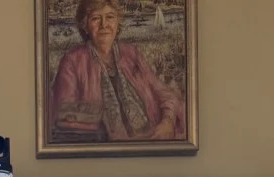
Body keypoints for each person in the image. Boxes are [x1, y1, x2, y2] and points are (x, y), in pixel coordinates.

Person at [50, 0, 185, 144]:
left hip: (150, 138)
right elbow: (63, 114)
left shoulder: (131, 53)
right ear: (85, 26)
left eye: (110, 17)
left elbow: (165, 93)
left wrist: (168, 121)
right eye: (96, 18)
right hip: (103, 146)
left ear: (117, 23)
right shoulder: (72, 61)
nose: (104, 25)